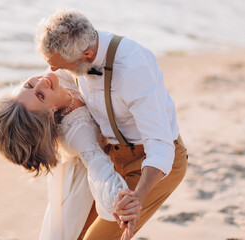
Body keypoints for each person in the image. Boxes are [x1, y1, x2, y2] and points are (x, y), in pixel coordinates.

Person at [35, 9, 188, 240]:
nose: (54, 71)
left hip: (152, 163)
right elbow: (52, 81)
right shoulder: (76, 54)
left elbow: (160, 145)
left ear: (87, 54)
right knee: (74, 232)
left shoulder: (133, 69)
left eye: (60, 66)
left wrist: (137, 198)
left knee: (96, 238)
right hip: (111, 156)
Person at [0, 72, 142, 240]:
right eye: (41, 96)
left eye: (29, 85)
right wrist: (118, 198)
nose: (42, 82)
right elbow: (98, 166)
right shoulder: (78, 131)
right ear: (50, 113)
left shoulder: (54, 78)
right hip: (88, 171)